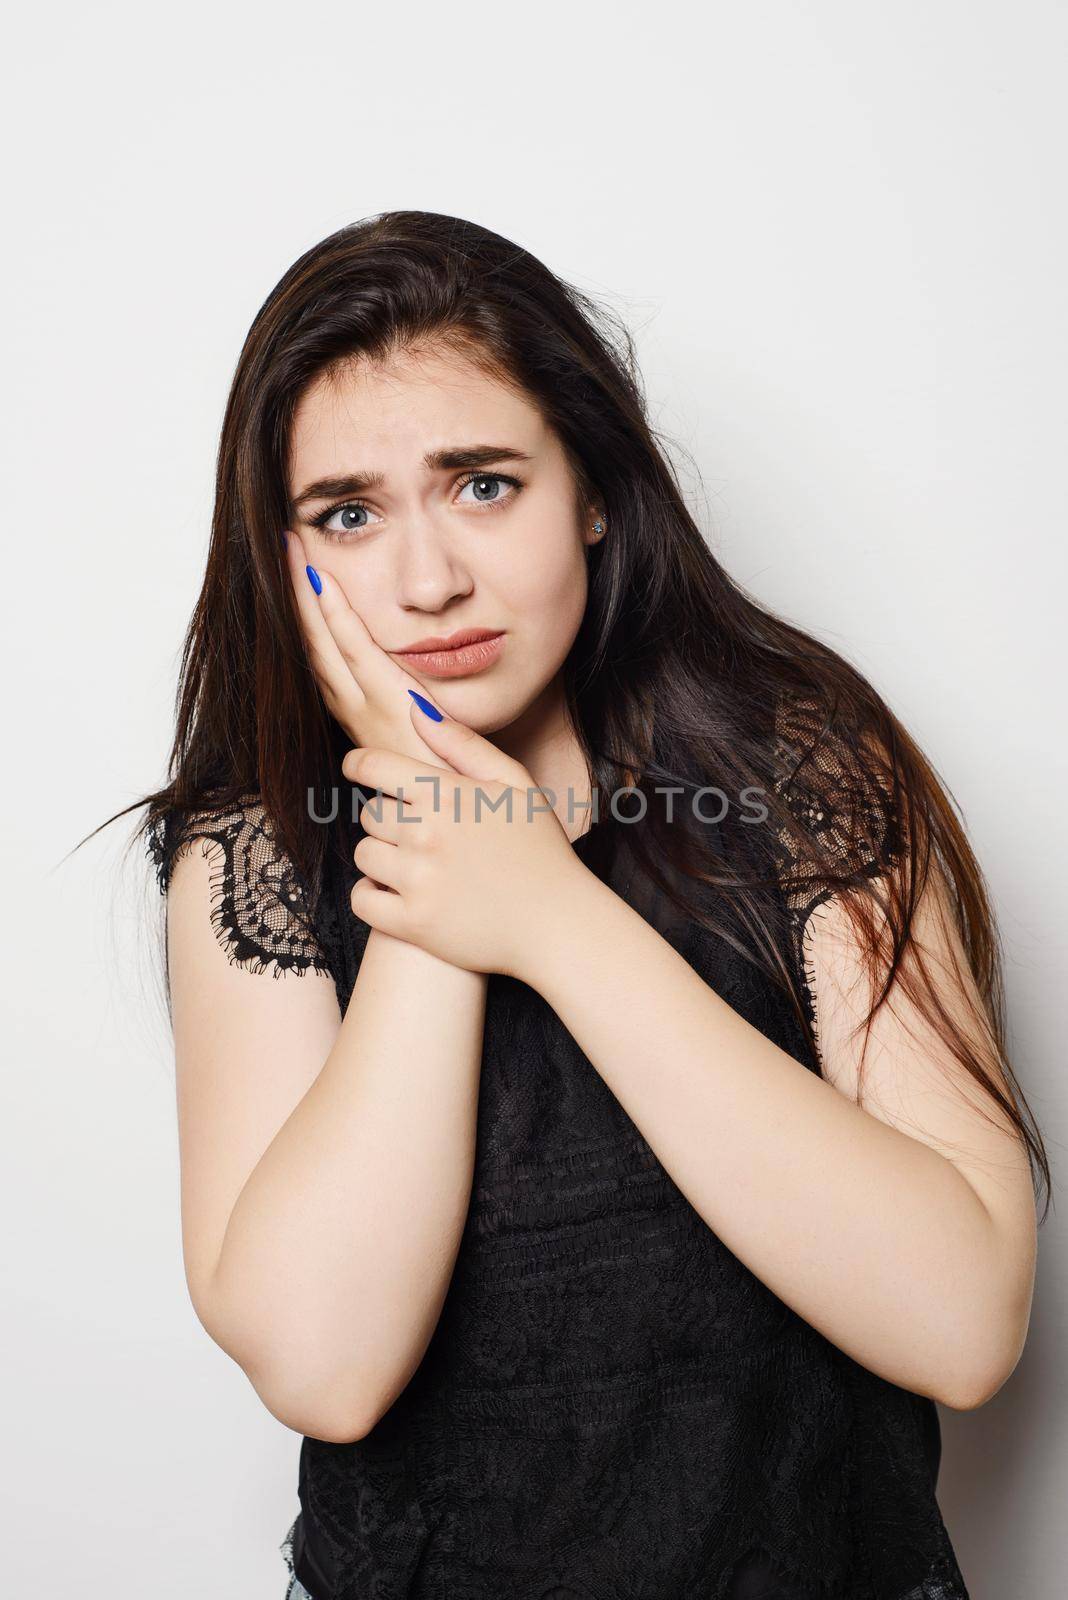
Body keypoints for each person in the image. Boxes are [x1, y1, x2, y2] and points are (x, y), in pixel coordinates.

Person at [105, 210, 1046, 1599]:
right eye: (348, 515)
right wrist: (441, 818)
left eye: (484, 484)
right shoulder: (254, 856)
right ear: (283, 552)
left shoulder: (801, 775)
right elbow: (326, 1364)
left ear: (591, 491)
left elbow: (962, 1322)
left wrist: (548, 915)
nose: (429, 581)